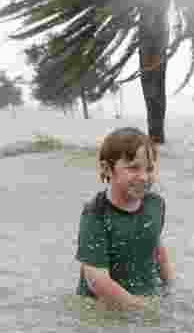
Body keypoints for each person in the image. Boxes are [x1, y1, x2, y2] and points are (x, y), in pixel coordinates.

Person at [75, 127, 175, 312]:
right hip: (103, 306)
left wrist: (171, 288)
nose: (144, 177)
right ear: (107, 169)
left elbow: (157, 247)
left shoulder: (155, 205)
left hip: (145, 297)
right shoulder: (96, 214)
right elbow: (95, 277)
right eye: (133, 168)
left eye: (149, 168)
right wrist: (138, 307)